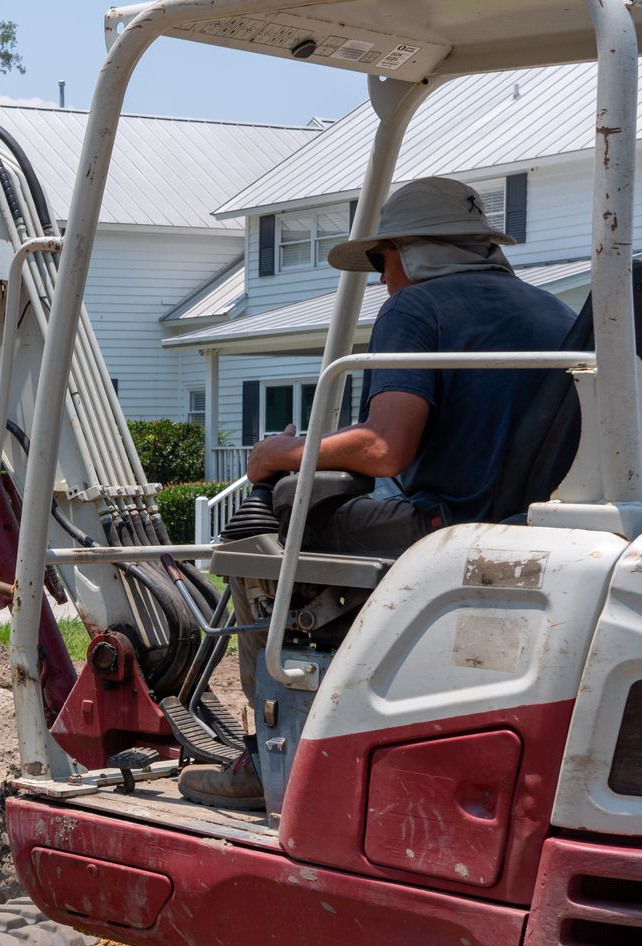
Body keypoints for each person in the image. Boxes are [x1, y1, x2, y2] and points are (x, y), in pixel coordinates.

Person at [180, 176, 577, 809]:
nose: (382, 280)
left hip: (447, 526)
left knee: (271, 531)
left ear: (409, 253)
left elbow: (385, 448)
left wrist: (280, 456)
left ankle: (266, 758)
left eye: (380, 261)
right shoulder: (554, 311)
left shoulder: (415, 309)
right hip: (540, 527)